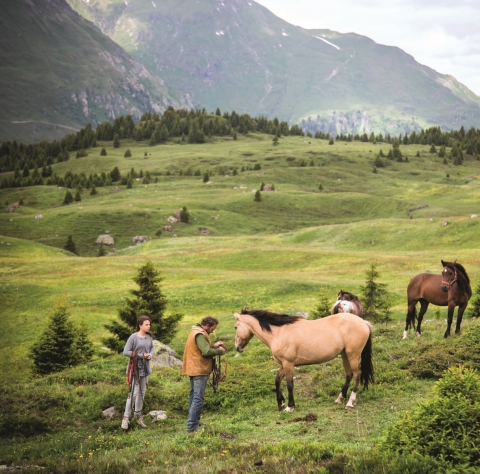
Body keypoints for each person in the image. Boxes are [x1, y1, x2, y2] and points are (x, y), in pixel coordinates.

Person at [182, 316, 227, 433]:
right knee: (198, 398)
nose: (213, 331)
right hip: (199, 370)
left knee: (194, 396)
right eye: (212, 328)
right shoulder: (200, 334)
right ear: (207, 325)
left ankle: (194, 423)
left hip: (194, 369)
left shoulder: (195, 331)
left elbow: (202, 348)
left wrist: (213, 346)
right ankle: (191, 427)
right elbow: (206, 351)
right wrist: (219, 351)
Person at [121, 315, 154, 430]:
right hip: (135, 369)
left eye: (149, 324)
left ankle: (138, 415)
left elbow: (152, 349)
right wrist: (140, 355)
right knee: (133, 393)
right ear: (140, 325)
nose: (149, 326)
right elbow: (126, 352)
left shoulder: (149, 337)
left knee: (142, 393)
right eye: (146, 324)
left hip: (145, 369)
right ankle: (126, 418)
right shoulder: (133, 337)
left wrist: (150, 355)